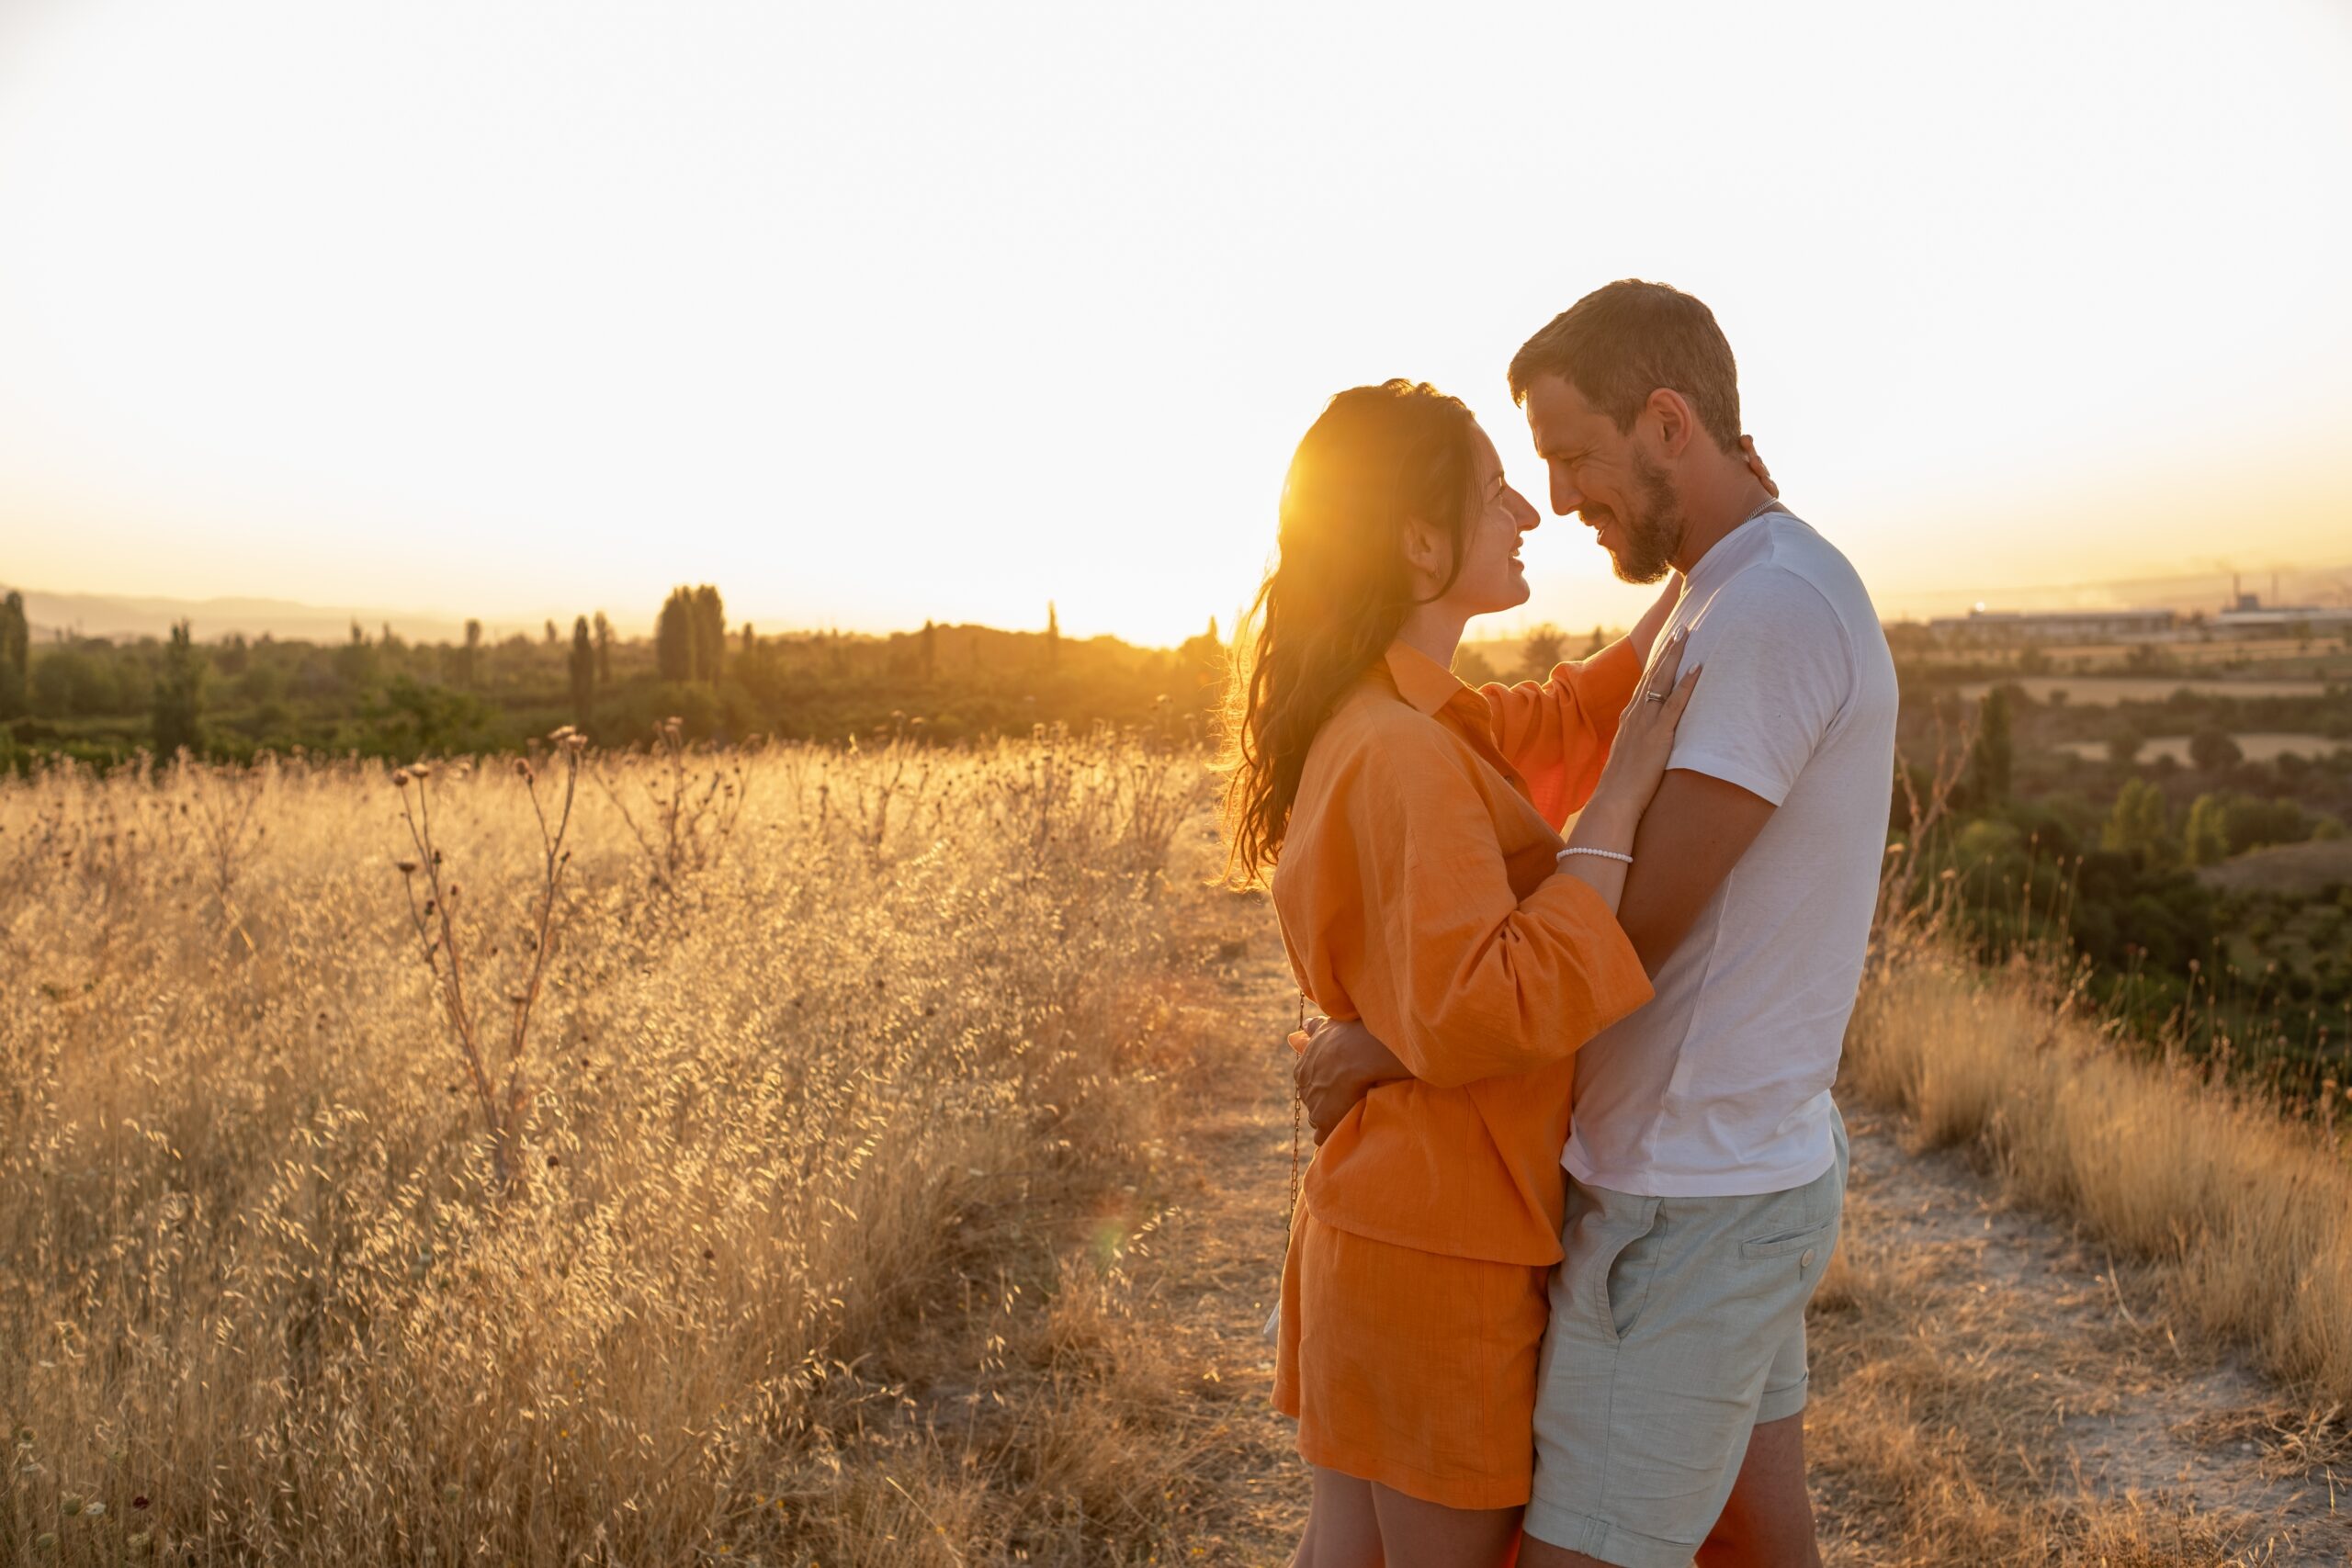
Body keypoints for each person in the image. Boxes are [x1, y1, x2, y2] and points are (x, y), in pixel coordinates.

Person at [1298, 280, 1899, 1568]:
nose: (1554, 498)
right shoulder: (1727, 595)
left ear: (1667, 423)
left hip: (1686, 1196)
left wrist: (1400, 1041)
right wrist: (1724, 538)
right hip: (1697, 1169)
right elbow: (1557, 733)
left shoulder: (1773, 607)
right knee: (1753, 1543)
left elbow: (1642, 919)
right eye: (1527, 471)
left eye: (1570, 456)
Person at [1220, 376, 1702, 1566]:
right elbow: (1484, 1003)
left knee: (1345, 1552)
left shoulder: (1400, 719)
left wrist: (1700, 574)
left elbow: (1554, 725)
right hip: (1444, 1250)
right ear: (1421, 540)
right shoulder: (1401, 754)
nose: (1527, 514)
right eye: (1495, 494)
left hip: (1381, 1233)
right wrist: (1627, 800)